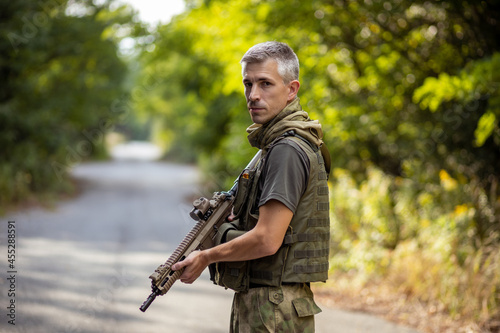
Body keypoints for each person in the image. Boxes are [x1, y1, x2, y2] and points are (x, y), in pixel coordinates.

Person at [172, 41, 330, 332]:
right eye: (248, 84)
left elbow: (268, 239)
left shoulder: (287, 149)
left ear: (291, 89)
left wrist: (206, 256)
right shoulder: (274, 144)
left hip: (271, 307)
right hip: (269, 302)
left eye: (265, 84)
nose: (253, 95)